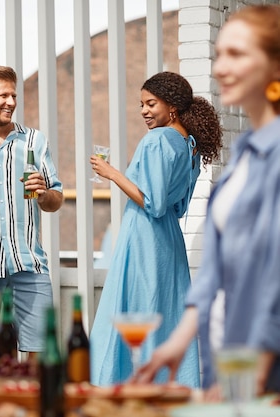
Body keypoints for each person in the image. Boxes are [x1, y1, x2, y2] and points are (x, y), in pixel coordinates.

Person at [136, 4, 280, 395]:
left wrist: (255, 366)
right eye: (219, 55)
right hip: (226, 355)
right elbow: (215, 271)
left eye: (236, 54)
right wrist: (178, 344)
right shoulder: (245, 154)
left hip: (260, 365)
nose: (219, 68)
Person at [89, 71, 222, 387]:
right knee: (167, 312)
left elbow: (154, 204)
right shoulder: (189, 145)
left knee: (135, 310)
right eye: (141, 105)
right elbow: (178, 207)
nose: (144, 111)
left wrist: (112, 174)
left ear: (172, 106)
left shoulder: (158, 140)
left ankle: (123, 387)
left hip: (145, 237)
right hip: (169, 241)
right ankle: (169, 387)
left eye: (151, 103)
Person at [0, 65, 64, 360]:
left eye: (14, 95)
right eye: (3, 95)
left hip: (29, 266)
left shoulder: (34, 141)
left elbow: (55, 200)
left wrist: (45, 193)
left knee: (40, 358)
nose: (11, 102)